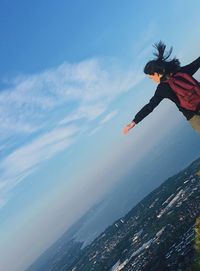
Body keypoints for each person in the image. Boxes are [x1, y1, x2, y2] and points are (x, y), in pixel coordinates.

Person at [123, 41, 200, 135]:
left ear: (156, 74)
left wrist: (133, 122)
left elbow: (150, 106)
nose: (152, 80)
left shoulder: (162, 89)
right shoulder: (181, 72)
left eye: (151, 77)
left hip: (194, 116)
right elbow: (196, 63)